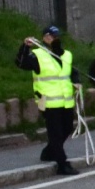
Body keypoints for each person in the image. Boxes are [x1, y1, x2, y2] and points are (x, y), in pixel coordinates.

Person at [16, 25, 80, 175]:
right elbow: (21, 63)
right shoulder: (38, 55)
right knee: (55, 133)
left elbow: (72, 71)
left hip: (66, 100)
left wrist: (77, 81)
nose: (55, 39)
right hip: (49, 101)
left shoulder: (66, 54)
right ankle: (62, 163)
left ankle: (48, 152)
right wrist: (25, 47)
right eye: (52, 36)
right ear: (45, 38)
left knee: (67, 129)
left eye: (57, 36)